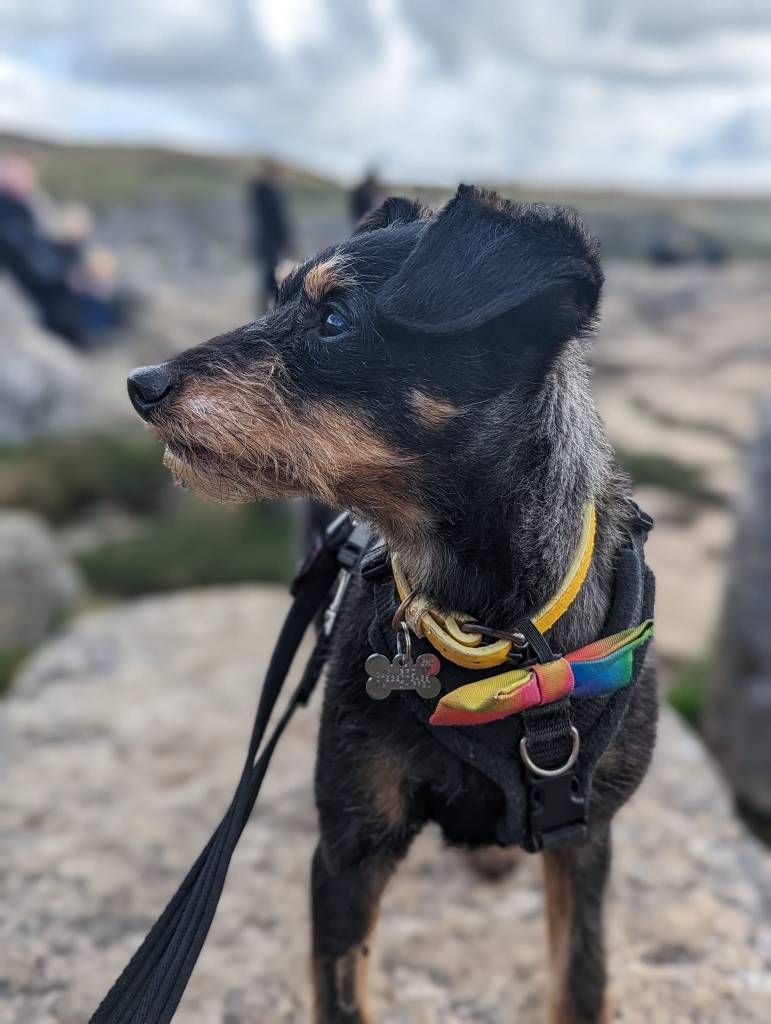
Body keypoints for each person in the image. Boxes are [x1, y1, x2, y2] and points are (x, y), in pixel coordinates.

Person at [247, 161, 293, 311]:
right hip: (270, 243)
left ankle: (268, 309)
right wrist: (286, 240)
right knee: (271, 277)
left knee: (269, 277)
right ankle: (268, 311)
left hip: (268, 242)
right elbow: (276, 220)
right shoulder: (265, 192)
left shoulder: (265, 192)